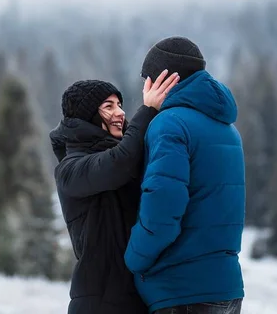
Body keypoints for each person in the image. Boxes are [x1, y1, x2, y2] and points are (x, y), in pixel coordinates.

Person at [124, 36, 246, 314]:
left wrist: (133, 259)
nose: (144, 87)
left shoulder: (169, 124)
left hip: (182, 292)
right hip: (226, 289)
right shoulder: (228, 129)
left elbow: (163, 210)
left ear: (163, 79)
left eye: (147, 78)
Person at [49, 71, 179, 314]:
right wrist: (148, 110)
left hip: (135, 298)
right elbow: (119, 163)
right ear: (87, 116)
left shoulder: (120, 156)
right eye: (108, 106)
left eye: (119, 104)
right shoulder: (70, 169)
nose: (120, 112)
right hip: (97, 302)